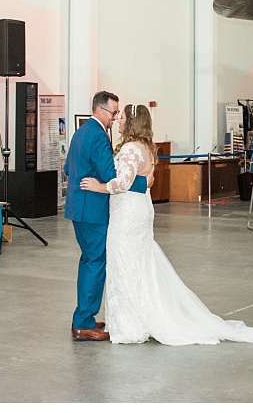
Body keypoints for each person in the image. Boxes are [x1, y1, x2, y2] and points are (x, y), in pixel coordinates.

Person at [81, 104, 253, 346]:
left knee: (124, 262)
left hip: (127, 215)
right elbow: (141, 180)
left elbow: (122, 183)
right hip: (139, 211)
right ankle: (139, 316)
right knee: (137, 263)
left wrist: (97, 187)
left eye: (123, 118)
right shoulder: (146, 148)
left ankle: (130, 322)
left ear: (132, 122)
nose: (118, 121)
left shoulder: (130, 148)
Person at [63, 91, 148, 341]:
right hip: (93, 211)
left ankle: (84, 317)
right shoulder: (99, 136)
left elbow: (68, 168)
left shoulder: (81, 132)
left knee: (89, 260)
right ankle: (83, 323)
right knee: (95, 263)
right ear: (101, 110)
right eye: (113, 113)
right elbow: (112, 174)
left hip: (79, 209)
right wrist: (143, 182)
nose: (114, 118)